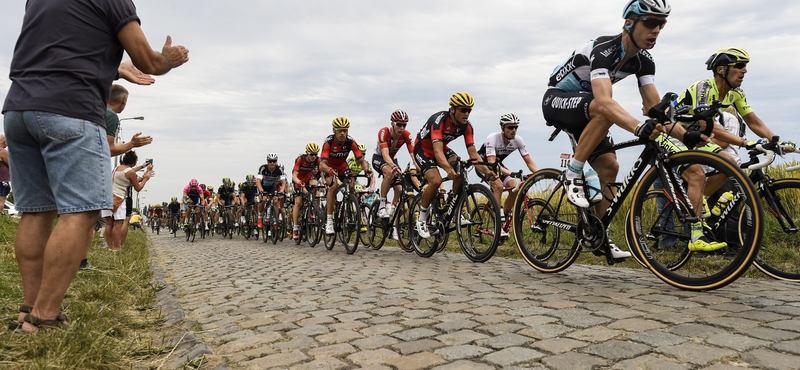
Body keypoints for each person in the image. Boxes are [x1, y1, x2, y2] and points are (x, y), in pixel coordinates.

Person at [3, 0, 188, 332]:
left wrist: (116, 68)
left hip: (19, 109)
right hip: (69, 108)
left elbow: (59, 48)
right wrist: (169, 60)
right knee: (81, 211)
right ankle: (44, 317)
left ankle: (27, 312)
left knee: (36, 211)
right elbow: (150, 60)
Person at [540, 0, 714, 257]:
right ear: (629, 23)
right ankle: (573, 172)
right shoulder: (604, 49)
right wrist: (637, 127)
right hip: (557, 99)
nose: (656, 30)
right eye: (651, 23)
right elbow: (604, 101)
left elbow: (656, 111)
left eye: (661, 24)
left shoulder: (644, 61)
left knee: (610, 167)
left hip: (588, 112)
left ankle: (600, 236)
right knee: (604, 108)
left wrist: (686, 134)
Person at [413, 92, 497, 239]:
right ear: (452, 109)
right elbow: (437, 151)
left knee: (460, 167)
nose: (467, 113)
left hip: (441, 148)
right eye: (463, 110)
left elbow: (473, 154)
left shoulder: (467, 127)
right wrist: (447, 169)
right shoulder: (438, 121)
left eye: (469, 110)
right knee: (436, 180)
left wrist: (486, 171)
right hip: (423, 149)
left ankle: (452, 205)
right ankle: (421, 218)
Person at [477, 113, 539, 236]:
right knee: (498, 186)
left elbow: (529, 161)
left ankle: (504, 214)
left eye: (516, 127)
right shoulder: (493, 138)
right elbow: (492, 163)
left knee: (515, 186)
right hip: (483, 165)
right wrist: (511, 173)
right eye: (510, 127)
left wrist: (539, 174)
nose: (514, 130)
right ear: (502, 128)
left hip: (498, 165)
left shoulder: (518, 140)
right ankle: (497, 219)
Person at [319, 117, 372, 235]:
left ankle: (349, 208)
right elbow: (322, 164)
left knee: (351, 184)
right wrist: (329, 170)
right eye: (339, 131)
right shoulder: (328, 143)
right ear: (334, 130)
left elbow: (361, 159)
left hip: (342, 166)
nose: (343, 133)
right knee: (333, 187)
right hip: (329, 167)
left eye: (345, 130)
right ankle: (329, 221)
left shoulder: (350, 142)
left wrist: (367, 170)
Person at [373, 110, 418, 219]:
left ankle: (393, 217)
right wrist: (393, 166)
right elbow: (385, 154)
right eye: (399, 124)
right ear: (392, 123)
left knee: (399, 189)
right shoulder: (384, 132)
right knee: (390, 172)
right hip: (379, 158)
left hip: (393, 159)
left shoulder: (406, 135)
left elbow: (413, 155)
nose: (402, 128)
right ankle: (382, 206)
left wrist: (420, 167)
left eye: (404, 125)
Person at [104, 151, 152, 251]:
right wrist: (146, 179)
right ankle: (117, 247)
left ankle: (109, 246)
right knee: (118, 223)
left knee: (108, 223)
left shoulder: (117, 169)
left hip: (107, 196)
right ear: (134, 162)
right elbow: (137, 188)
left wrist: (142, 172)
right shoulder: (130, 172)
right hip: (118, 197)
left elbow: (125, 182)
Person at [291, 143, 322, 239]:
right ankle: (295, 228)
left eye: (315, 154)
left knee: (315, 184)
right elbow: (294, 176)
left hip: (308, 177)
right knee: (298, 202)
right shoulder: (300, 159)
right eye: (311, 154)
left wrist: (324, 183)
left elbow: (322, 173)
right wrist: (299, 183)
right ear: (306, 153)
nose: (313, 156)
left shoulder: (317, 160)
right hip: (298, 179)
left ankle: (312, 206)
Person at [256, 153, 287, 233]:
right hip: (263, 186)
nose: (272, 163)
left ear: (276, 162)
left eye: (274, 161)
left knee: (276, 200)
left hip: (272, 187)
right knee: (264, 199)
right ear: (267, 162)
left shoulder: (279, 169)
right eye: (270, 161)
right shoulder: (263, 168)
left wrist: (281, 191)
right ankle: (260, 217)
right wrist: (261, 191)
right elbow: (258, 181)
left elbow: (283, 182)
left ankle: (275, 219)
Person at [0, 134, 10, 215]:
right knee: (1, 200)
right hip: (2, 180)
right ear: (3, 142)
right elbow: (10, 164)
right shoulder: (2, 151)